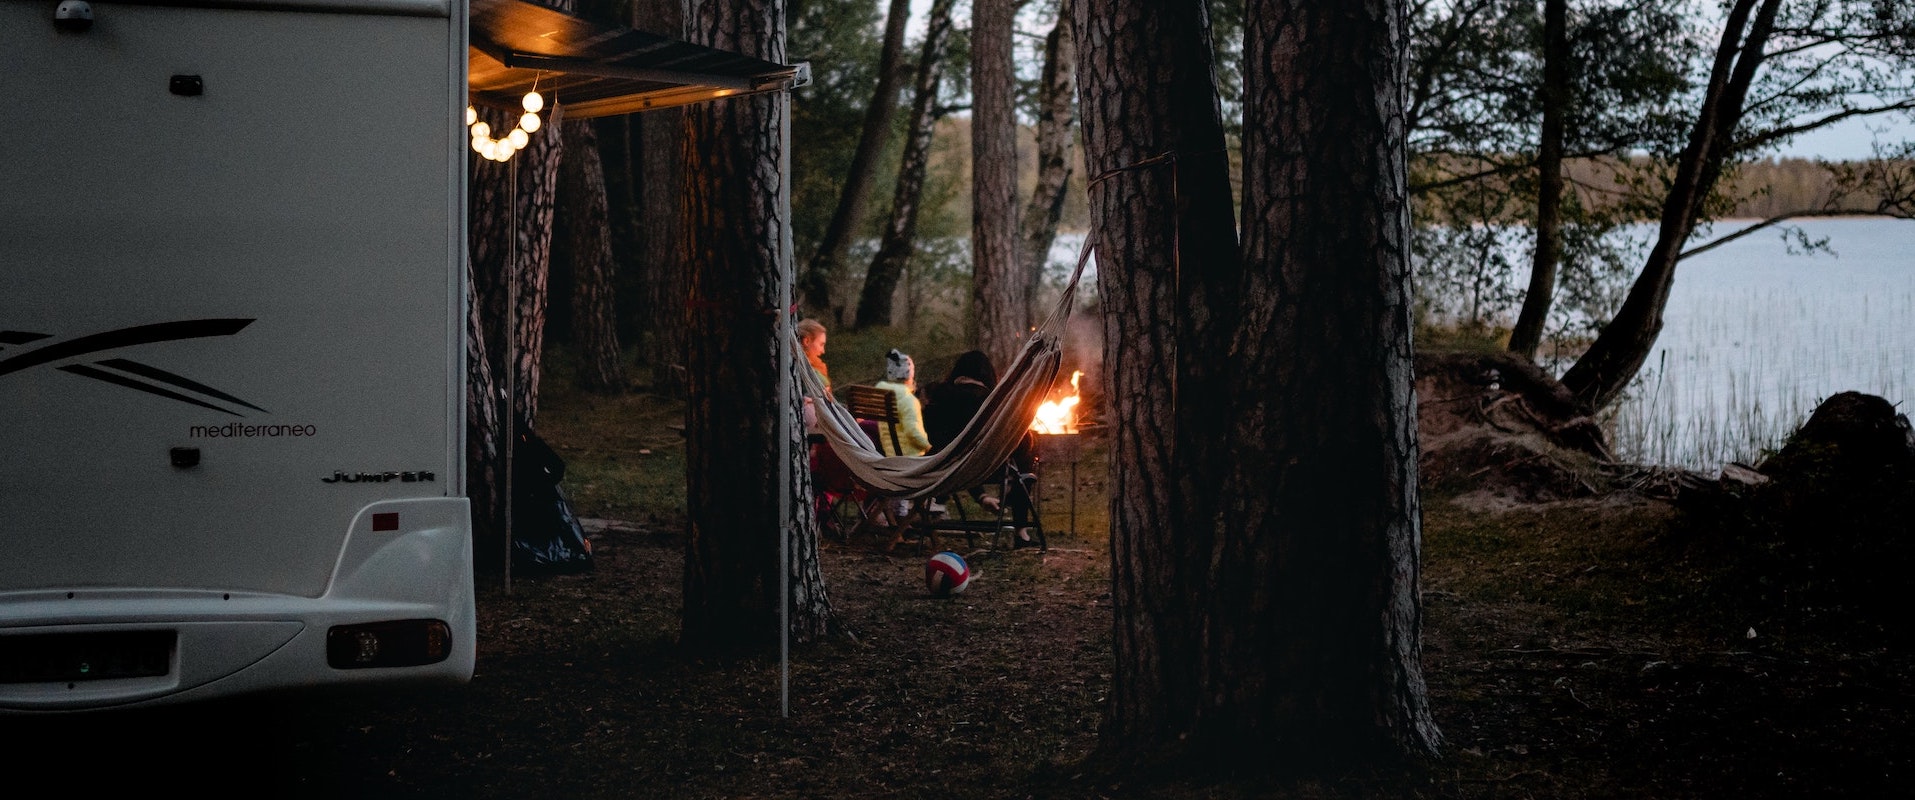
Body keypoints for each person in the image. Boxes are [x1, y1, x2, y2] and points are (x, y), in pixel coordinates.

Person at [923, 350, 1038, 543]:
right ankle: (1021, 530)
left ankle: (1012, 490)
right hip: (986, 469)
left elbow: (955, 452)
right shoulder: (992, 403)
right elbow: (1022, 443)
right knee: (1026, 450)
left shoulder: (936, 399)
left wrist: (981, 496)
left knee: (962, 454)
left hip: (940, 468)